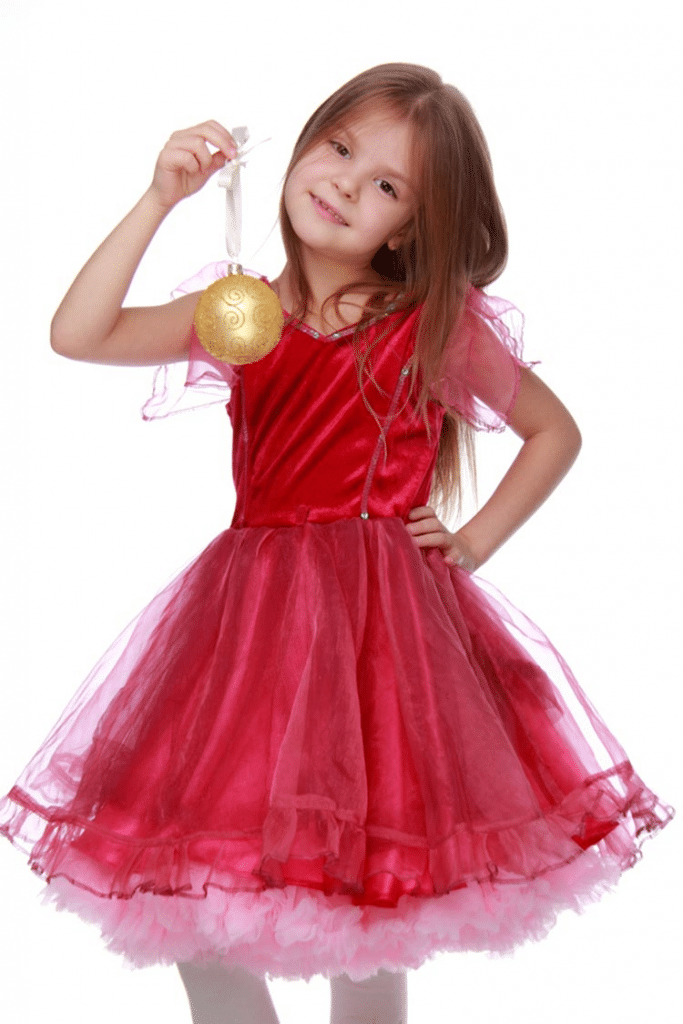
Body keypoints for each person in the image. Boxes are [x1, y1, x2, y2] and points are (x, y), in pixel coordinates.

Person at [0, 63, 674, 1024]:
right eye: (341, 148)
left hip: (377, 632)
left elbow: (554, 430)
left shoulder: (422, 327)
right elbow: (78, 332)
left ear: (407, 229)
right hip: (244, 631)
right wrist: (160, 199)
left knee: (371, 893)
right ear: (306, 143)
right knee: (193, 898)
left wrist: (474, 542)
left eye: (387, 186)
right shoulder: (242, 318)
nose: (347, 183)